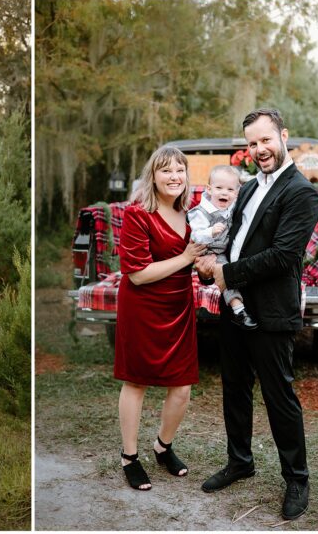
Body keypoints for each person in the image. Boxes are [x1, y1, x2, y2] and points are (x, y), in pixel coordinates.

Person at [198, 108, 318, 521]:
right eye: (252, 143)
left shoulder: (301, 192)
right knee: (234, 386)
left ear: (283, 136)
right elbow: (234, 237)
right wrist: (210, 262)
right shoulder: (248, 188)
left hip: (271, 312)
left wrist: (225, 272)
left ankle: (297, 479)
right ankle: (240, 462)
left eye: (266, 140)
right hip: (234, 307)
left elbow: (284, 255)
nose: (259, 149)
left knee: (279, 397)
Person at [114, 145, 207, 490]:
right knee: (136, 381)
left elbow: (201, 257)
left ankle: (163, 447)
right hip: (143, 308)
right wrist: (185, 258)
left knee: (182, 388)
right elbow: (136, 274)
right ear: (152, 176)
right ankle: (129, 457)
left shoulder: (194, 214)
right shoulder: (138, 215)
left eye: (180, 170)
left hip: (179, 307)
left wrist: (208, 266)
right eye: (166, 170)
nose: (174, 177)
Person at [186, 164, 256, 329]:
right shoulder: (200, 212)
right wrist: (210, 231)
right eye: (219, 188)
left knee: (233, 271)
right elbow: (195, 235)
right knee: (225, 274)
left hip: (224, 251)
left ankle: (243, 306)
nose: (224, 193)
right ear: (209, 189)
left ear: (236, 193)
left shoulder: (231, 208)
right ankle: (239, 310)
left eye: (230, 190)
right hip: (206, 251)